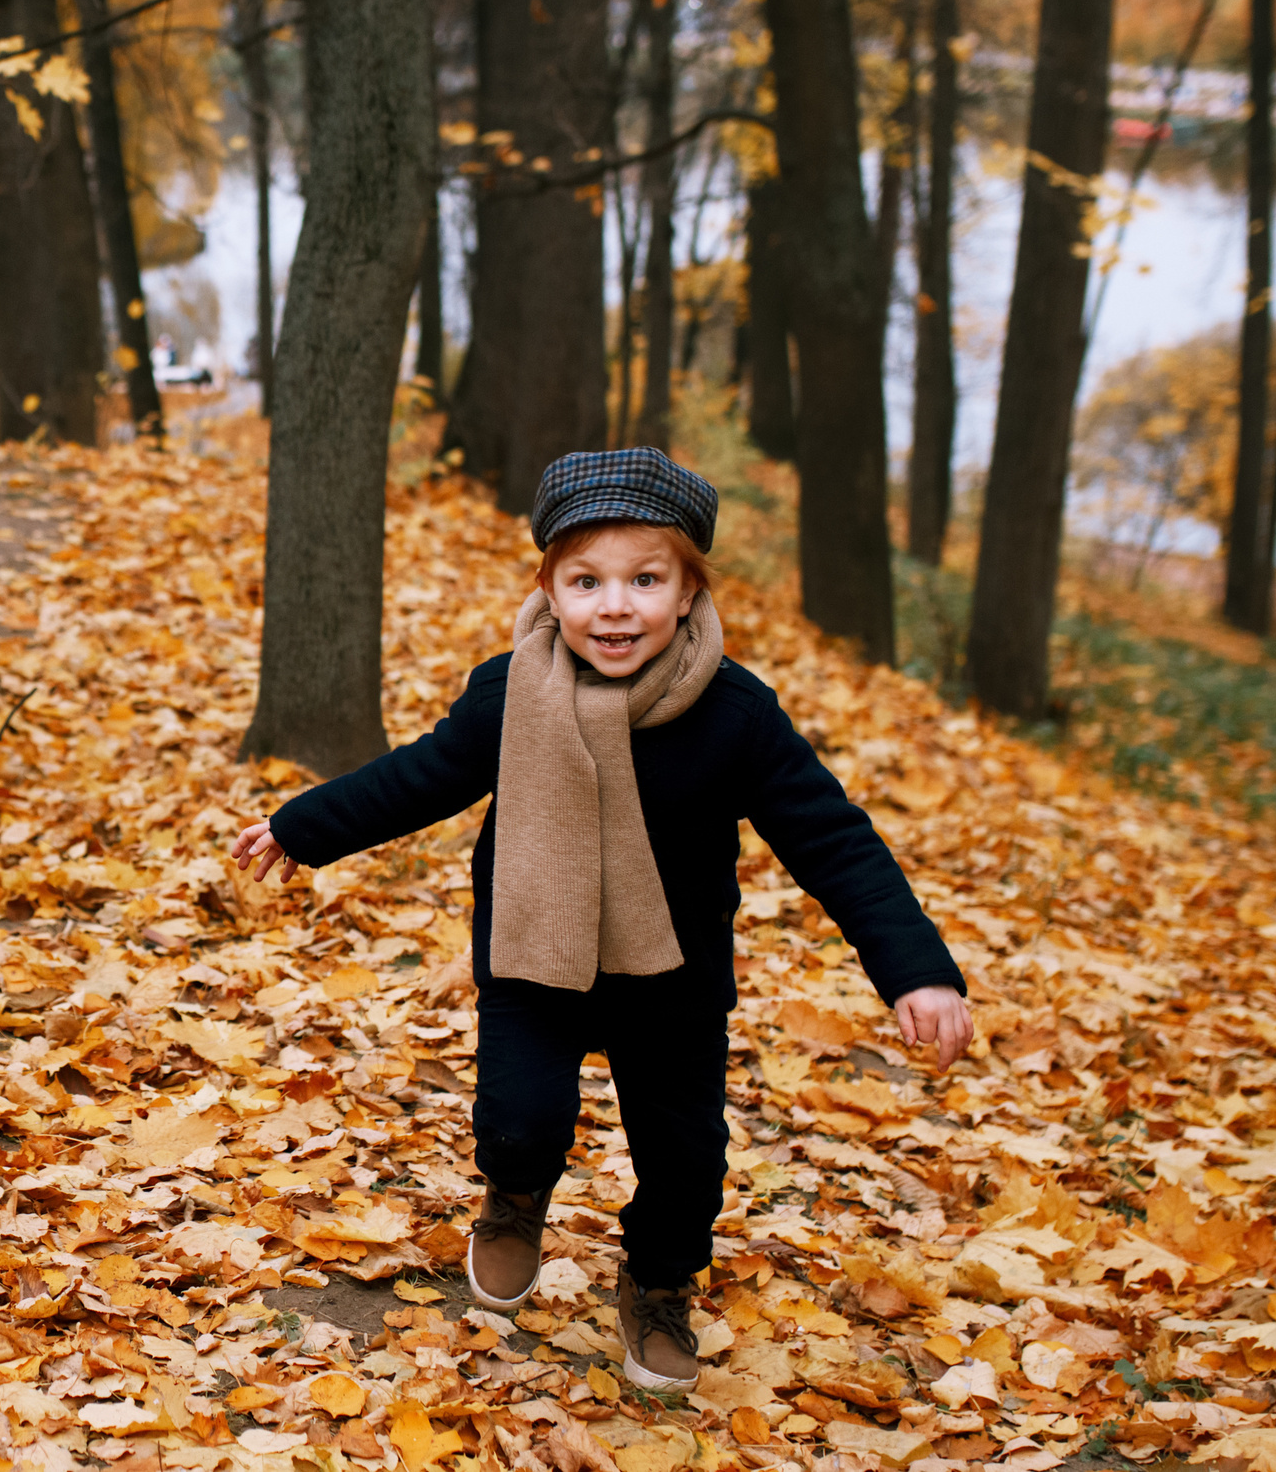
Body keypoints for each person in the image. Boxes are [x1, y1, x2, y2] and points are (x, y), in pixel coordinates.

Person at [230, 447, 972, 1392]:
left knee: (686, 1160)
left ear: (688, 592)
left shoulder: (736, 715)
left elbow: (835, 840)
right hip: (535, 958)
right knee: (519, 1118)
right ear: (548, 585)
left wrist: (918, 970)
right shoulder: (510, 692)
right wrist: (303, 826)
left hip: (673, 981)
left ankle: (659, 1285)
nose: (614, 606)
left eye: (644, 580)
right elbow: (419, 777)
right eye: (586, 581)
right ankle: (513, 1199)